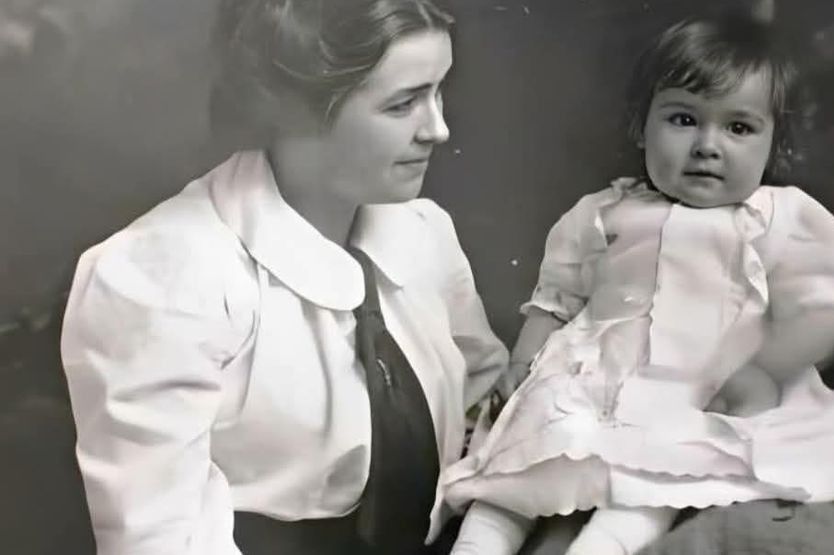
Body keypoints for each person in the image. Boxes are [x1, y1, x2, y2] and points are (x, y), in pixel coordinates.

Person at [443, 10, 834, 555]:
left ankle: (604, 547)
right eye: (684, 119)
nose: (708, 145)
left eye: (738, 128)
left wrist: (766, 370)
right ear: (640, 125)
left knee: (655, 487)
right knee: (521, 469)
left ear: (774, 144)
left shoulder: (779, 219)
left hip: (699, 392)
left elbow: (826, 313)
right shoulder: (605, 212)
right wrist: (523, 362)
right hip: (593, 383)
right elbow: (557, 298)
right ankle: (481, 543)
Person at [59, 1, 508, 554]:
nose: (437, 129)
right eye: (403, 104)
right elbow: (160, 540)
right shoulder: (162, 277)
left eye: (438, 91)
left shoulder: (423, 231)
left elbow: (483, 402)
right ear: (298, 111)